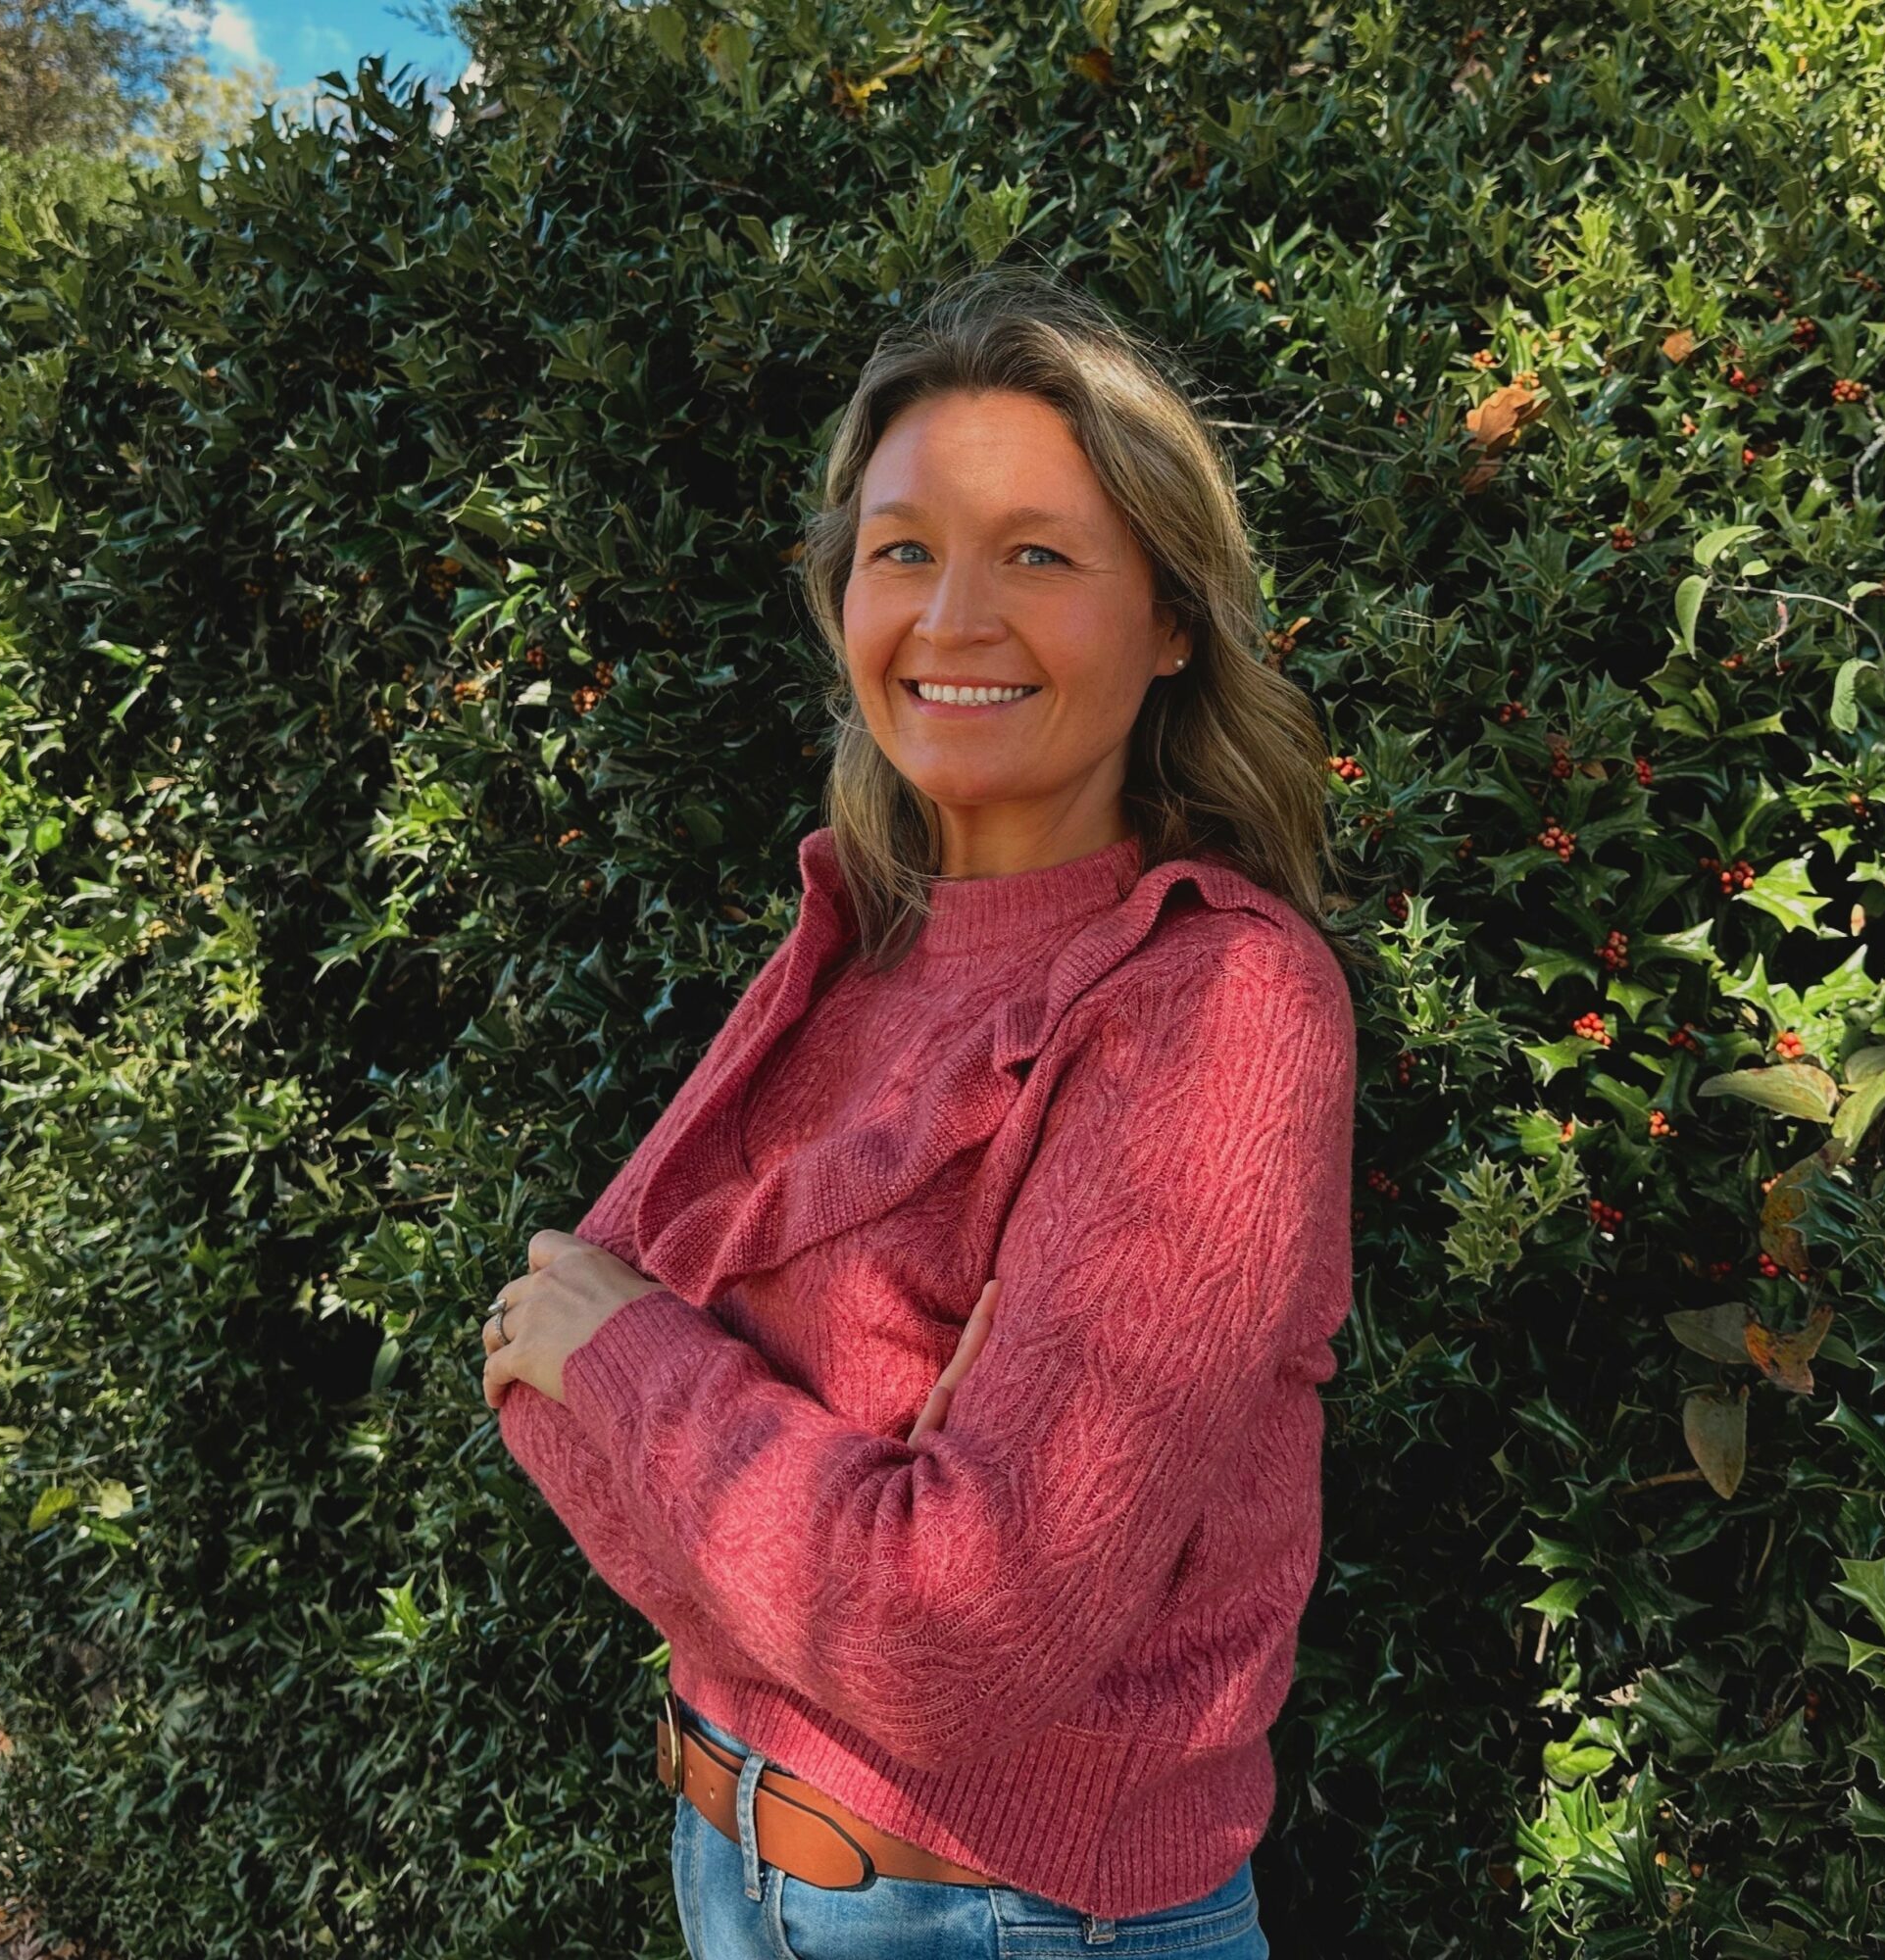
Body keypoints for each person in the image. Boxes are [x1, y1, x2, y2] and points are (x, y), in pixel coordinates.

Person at [478, 262, 1364, 1957]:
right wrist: (840, 1517)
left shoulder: (1215, 1006)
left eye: (1039, 552)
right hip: (732, 1866)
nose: (954, 616)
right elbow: (535, 1385)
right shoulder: (853, 938)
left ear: (1170, 618)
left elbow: (957, 1633)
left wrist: (652, 1370)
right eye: (902, 551)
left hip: (1015, 1923)